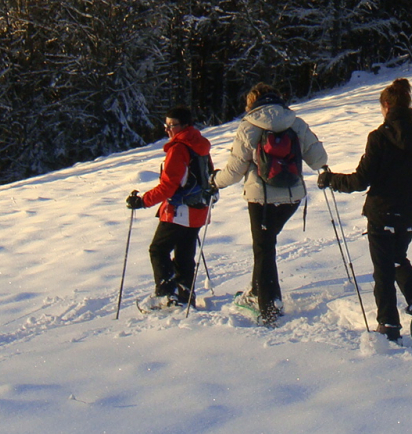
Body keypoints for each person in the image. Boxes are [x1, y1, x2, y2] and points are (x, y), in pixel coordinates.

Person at [318, 79, 412, 342]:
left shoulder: (378, 138)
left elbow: (360, 181)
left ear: (386, 106)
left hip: (382, 213)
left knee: (383, 269)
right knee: (395, 259)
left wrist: (331, 180)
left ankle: (389, 327)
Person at [213, 83, 328, 326]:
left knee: (264, 250)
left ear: (252, 102)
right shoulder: (295, 122)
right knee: (266, 247)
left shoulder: (249, 126)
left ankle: (269, 307)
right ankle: (257, 293)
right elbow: (319, 158)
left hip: (261, 198)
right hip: (292, 196)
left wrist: (215, 181)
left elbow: (234, 171)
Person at [127, 106, 214, 311]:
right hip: (198, 210)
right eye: (166, 125)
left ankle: (167, 295)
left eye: (171, 125)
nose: (167, 129)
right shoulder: (199, 144)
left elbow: (168, 187)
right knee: (184, 254)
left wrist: (142, 201)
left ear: (184, 125)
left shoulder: (179, 149)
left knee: (158, 249)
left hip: (180, 211)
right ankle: (184, 294)